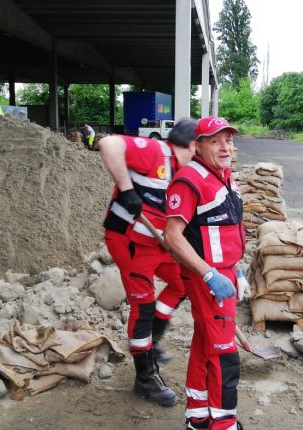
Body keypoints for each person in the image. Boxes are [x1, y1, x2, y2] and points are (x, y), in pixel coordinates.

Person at [98, 118, 197, 407]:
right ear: (192, 145)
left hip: (159, 244)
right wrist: (127, 190)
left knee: (182, 283)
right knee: (144, 306)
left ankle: (151, 341)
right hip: (129, 241)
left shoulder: (188, 172)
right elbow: (108, 143)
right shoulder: (155, 152)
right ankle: (145, 378)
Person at [164, 116, 247, 430]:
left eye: (228, 139)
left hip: (224, 274)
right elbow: (173, 235)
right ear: (198, 145)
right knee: (225, 355)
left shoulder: (224, 176)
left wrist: (235, 270)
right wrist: (210, 274)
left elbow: (223, 231)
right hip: (208, 280)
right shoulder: (189, 179)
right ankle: (224, 424)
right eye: (215, 140)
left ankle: (197, 416)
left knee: (204, 344)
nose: (225, 146)